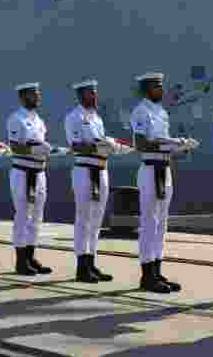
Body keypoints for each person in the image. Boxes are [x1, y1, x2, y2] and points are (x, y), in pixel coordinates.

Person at [131, 72, 198, 292]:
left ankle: (158, 271)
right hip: (150, 169)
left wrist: (178, 146)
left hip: (165, 168)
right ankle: (147, 275)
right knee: (149, 223)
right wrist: (170, 143)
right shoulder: (141, 112)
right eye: (156, 87)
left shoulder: (161, 112)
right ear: (146, 89)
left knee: (162, 224)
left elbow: (162, 143)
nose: (161, 90)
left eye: (161, 86)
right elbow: (141, 144)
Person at [67, 79, 130, 283]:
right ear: (80, 95)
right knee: (83, 219)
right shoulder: (74, 117)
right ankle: (81, 267)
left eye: (95, 92)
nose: (94, 96)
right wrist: (99, 147)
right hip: (85, 170)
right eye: (89, 93)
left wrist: (112, 147)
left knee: (96, 221)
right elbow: (76, 146)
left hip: (101, 169)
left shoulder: (97, 118)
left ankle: (91, 263)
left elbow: (100, 142)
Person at [7, 83, 52, 275]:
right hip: (23, 172)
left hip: (39, 172)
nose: (38, 96)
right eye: (34, 94)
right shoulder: (16, 119)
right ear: (23, 97)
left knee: (36, 218)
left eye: (38, 93)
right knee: (23, 216)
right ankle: (20, 260)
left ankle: (31, 256)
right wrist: (34, 150)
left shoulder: (39, 120)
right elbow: (15, 146)